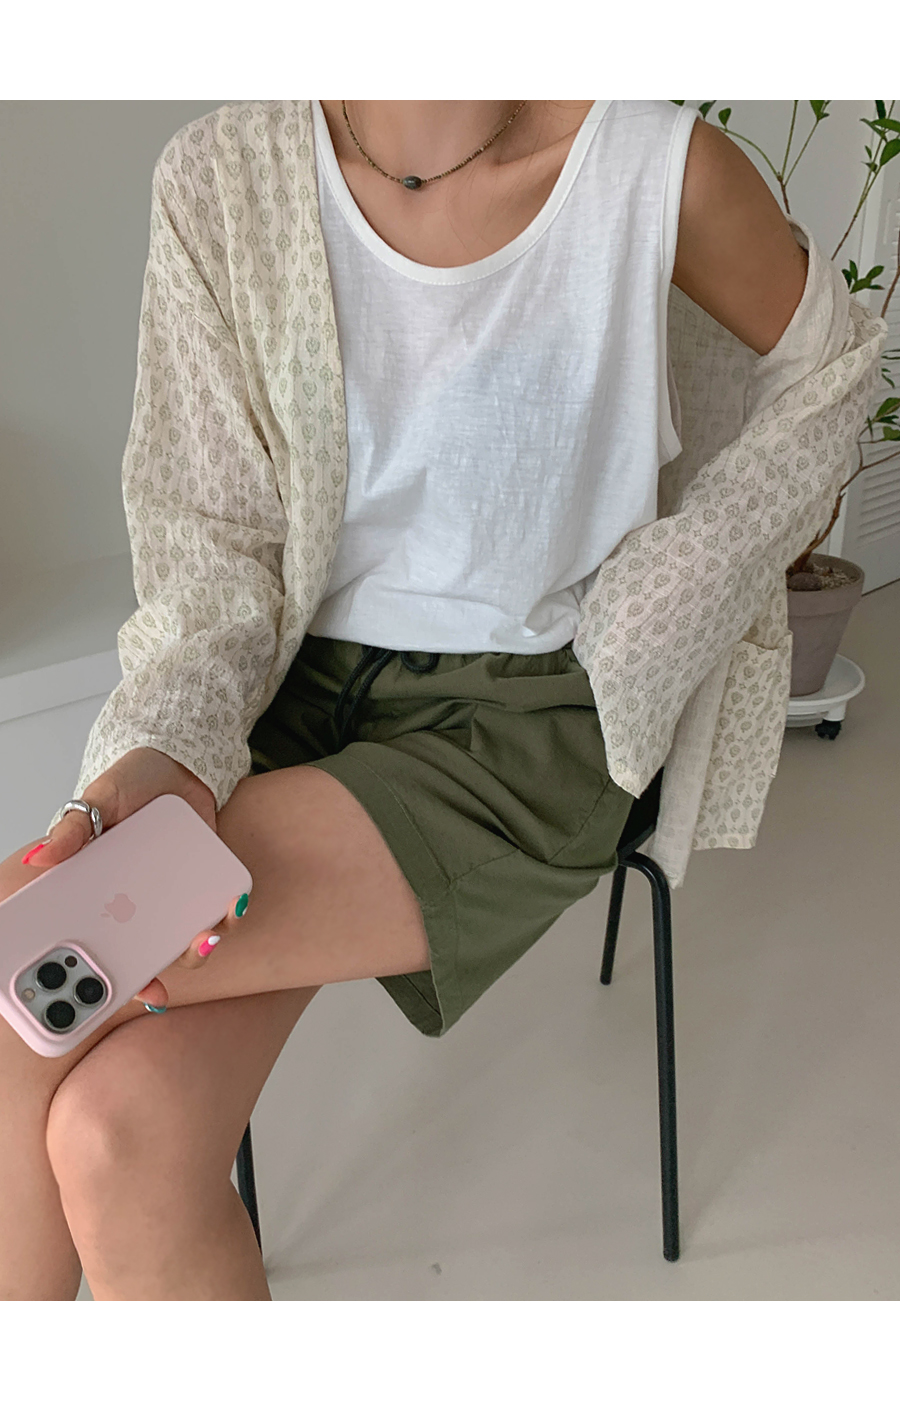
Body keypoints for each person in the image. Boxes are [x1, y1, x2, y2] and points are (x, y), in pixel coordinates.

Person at [0, 100, 811, 1300]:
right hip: (281, 687)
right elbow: (212, 532)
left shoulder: (654, 165)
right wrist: (169, 740)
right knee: (118, 1133)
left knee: (27, 1027)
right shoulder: (223, 179)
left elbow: (828, 364)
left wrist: (678, 586)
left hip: (515, 722)